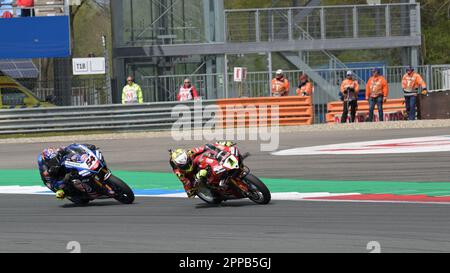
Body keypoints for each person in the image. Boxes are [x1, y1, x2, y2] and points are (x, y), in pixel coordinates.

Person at [169, 141, 235, 198]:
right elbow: (186, 183)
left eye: (188, 162)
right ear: (178, 165)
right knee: (192, 188)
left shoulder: (190, 152)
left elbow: (207, 147)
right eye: (184, 166)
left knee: (205, 156)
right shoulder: (179, 173)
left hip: (198, 165)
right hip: (192, 176)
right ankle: (213, 188)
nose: (188, 166)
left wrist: (222, 144)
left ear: (188, 156)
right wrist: (189, 191)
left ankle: (221, 168)